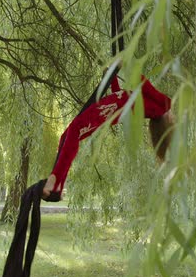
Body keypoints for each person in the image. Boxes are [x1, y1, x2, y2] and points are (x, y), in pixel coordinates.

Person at [42, 75, 174, 202]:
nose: (175, 117)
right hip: (111, 110)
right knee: (66, 137)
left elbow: (142, 82)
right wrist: (112, 78)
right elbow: (121, 94)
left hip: (111, 108)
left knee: (74, 131)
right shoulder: (155, 110)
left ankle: (54, 178)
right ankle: (59, 185)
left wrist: (127, 64)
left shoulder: (165, 104)